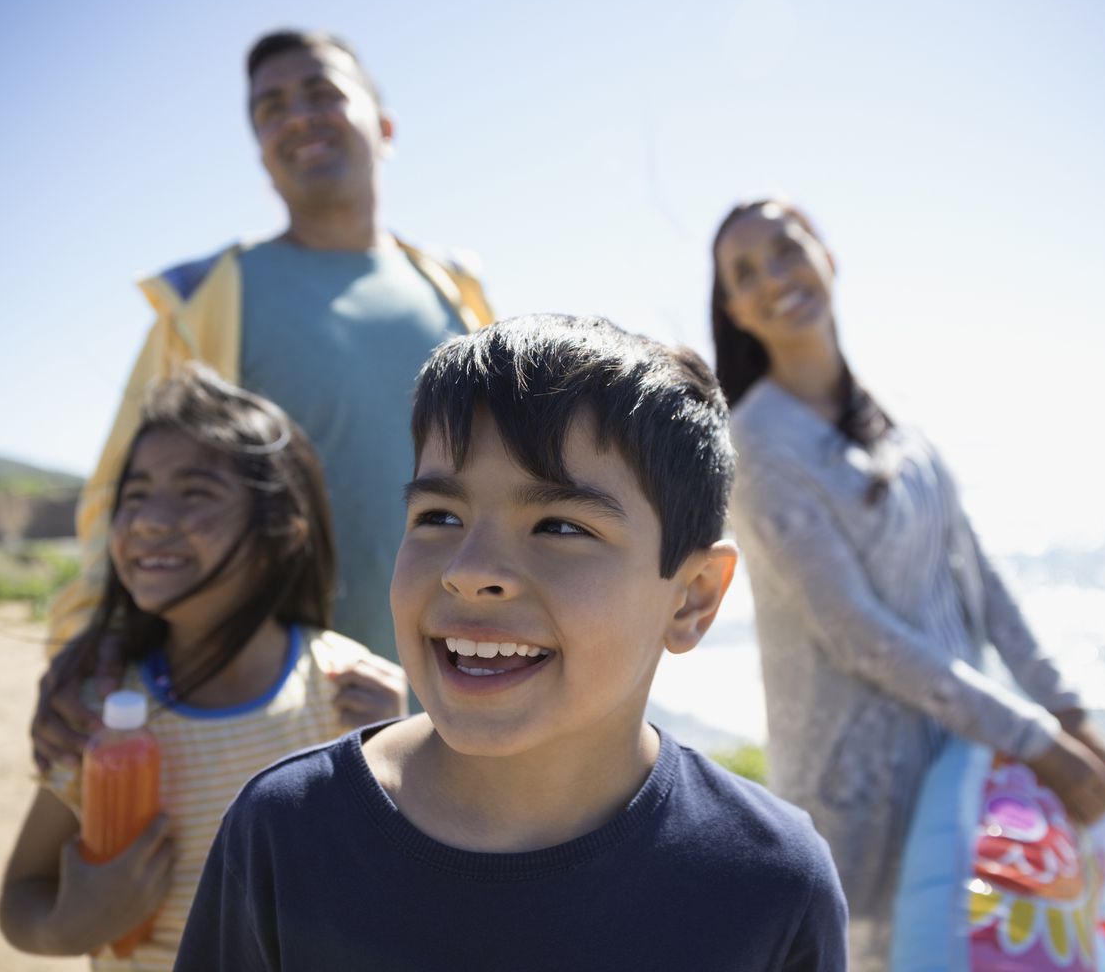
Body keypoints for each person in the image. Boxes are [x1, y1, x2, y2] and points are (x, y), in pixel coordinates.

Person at [171, 315, 848, 971]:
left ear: (694, 595)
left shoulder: (770, 881)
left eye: (558, 526)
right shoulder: (286, 834)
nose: (469, 571)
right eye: (438, 516)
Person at [33, 28, 494, 769]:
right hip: (270, 718)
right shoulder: (211, 297)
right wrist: (96, 633)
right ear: (260, 151)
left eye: (321, 93)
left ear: (383, 126)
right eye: (271, 108)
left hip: (458, 699)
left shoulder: (457, 296)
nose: (297, 116)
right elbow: (126, 489)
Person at [710, 197, 1105, 968]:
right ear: (735, 309)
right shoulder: (757, 444)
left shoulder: (892, 414)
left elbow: (976, 571)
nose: (774, 276)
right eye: (746, 272)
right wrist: (1038, 743)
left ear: (827, 254)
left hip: (962, 763)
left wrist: (1063, 706)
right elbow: (857, 634)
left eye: (786, 249)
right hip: (860, 797)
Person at [0, 365, 407, 969]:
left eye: (195, 494)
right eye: (134, 495)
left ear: (283, 529)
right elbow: (19, 897)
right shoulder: (98, 707)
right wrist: (67, 925)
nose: (147, 520)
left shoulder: (352, 692)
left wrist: (390, 757)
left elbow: (396, 892)